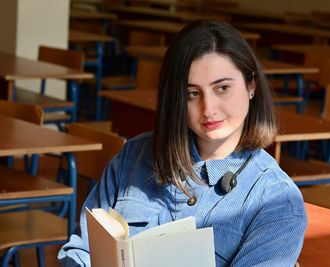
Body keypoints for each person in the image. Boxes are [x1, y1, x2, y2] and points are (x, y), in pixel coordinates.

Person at [58, 20, 307, 266]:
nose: (208, 109)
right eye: (192, 93)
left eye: (222, 88)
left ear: (251, 85)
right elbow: (82, 250)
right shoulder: (133, 157)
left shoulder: (276, 200)